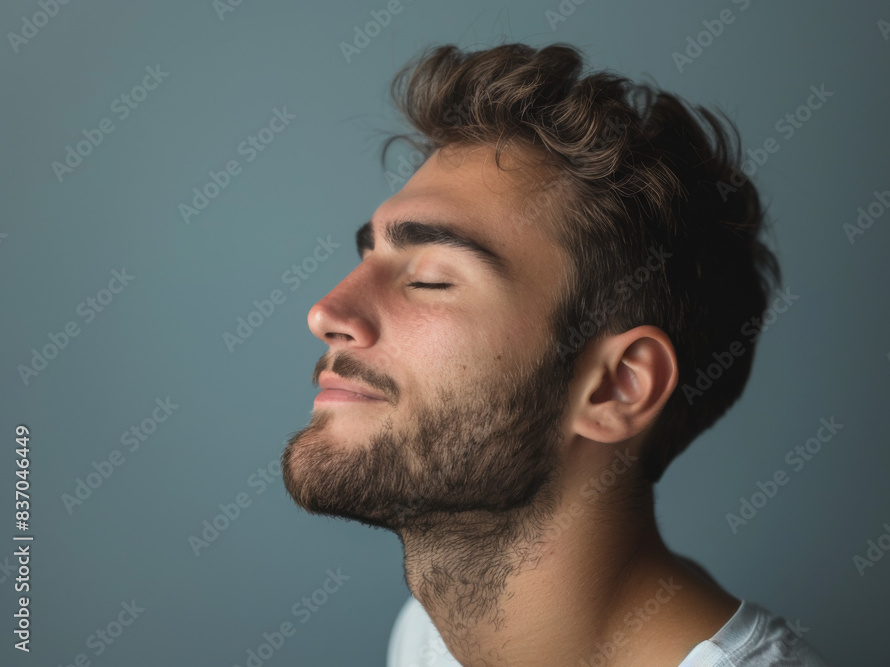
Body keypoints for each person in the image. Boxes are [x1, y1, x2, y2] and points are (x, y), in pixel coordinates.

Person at [281, 42, 830, 666]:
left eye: (430, 279)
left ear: (617, 387)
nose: (326, 313)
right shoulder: (427, 639)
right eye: (367, 258)